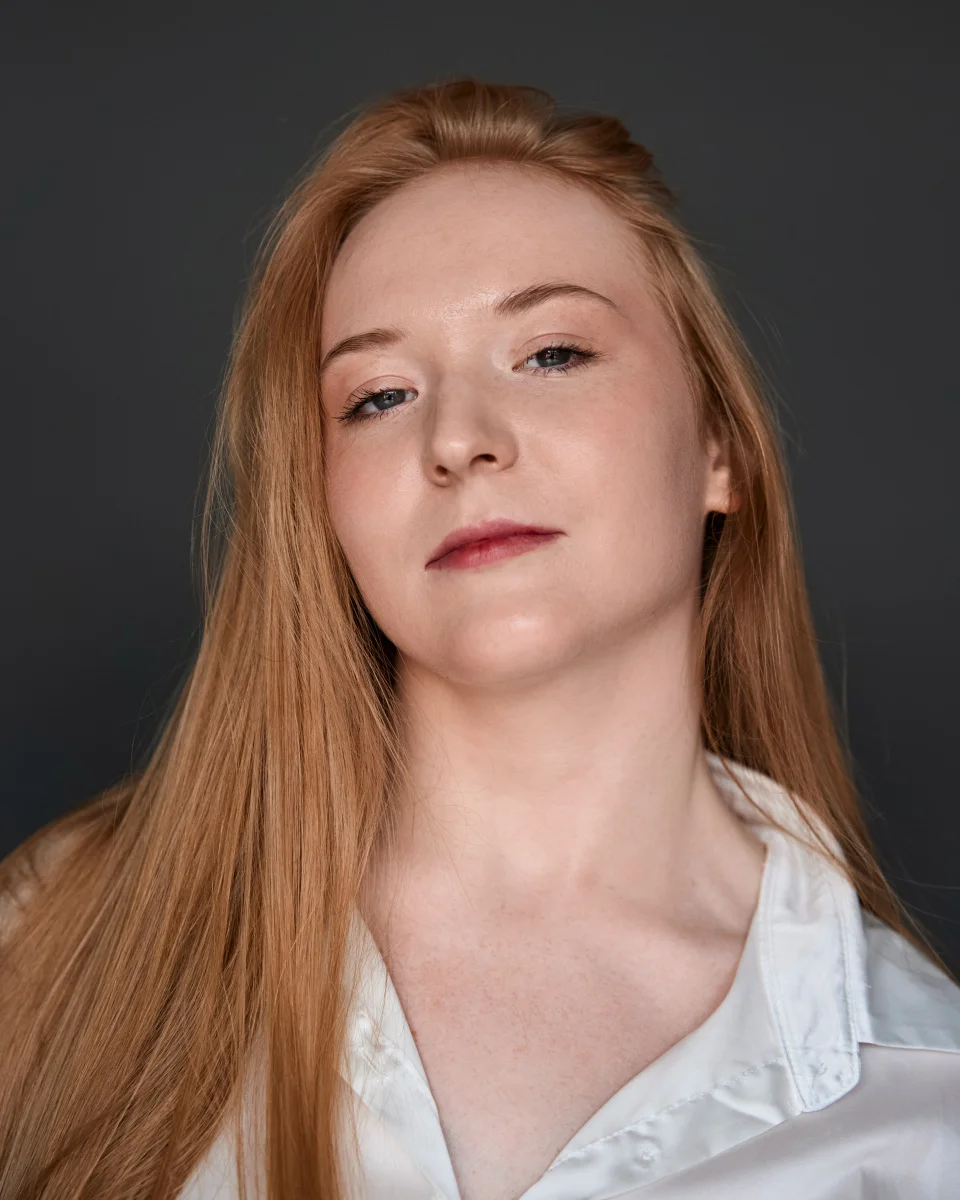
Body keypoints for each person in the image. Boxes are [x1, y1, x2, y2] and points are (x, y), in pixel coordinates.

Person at [1, 79, 958, 1200]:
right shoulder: (56, 942)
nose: (457, 439)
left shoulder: (927, 1102)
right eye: (379, 396)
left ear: (719, 450)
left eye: (551, 354)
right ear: (322, 505)